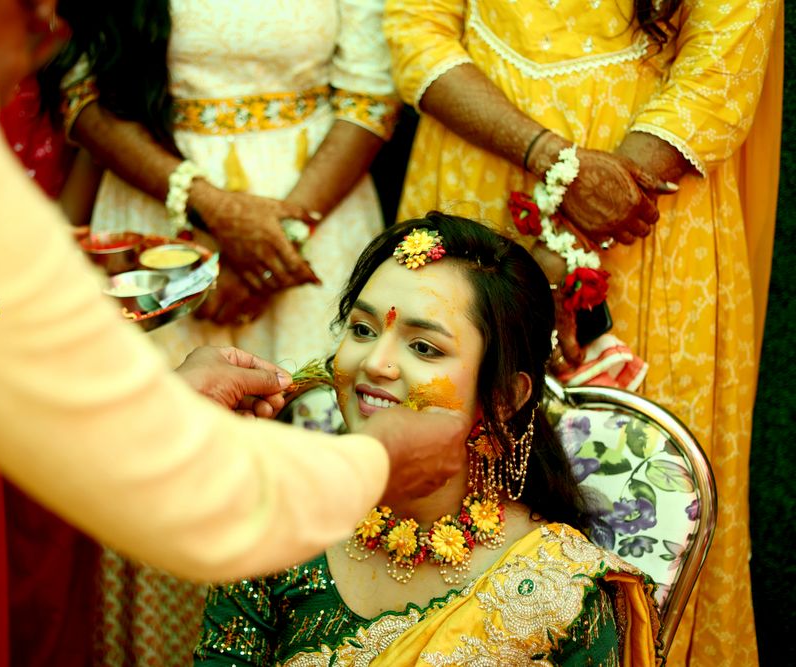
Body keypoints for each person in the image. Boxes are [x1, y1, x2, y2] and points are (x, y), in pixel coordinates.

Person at [0, 0, 474, 599]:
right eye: (35, 20)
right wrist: (376, 463)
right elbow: (188, 496)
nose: (42, 51)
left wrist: (151, 393)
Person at [383, 1, 782, 663]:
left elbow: (721, 68)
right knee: (448, 479)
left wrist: (565, 240)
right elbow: (413, 26)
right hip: (478, 174)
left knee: (646, 498)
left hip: (648, 213)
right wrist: (551, 158)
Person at [39, 2, 401, 662]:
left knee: (319, 453)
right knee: (166, 460)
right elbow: (80, 90)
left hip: (313, 227)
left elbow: (371, 93)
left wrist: (274, 238)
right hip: (160, 221)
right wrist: (211, 215)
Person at [194, 214, 661, 666]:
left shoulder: (560, 589)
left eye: (424, 347)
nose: (375, 362)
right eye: (362, 329)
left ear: (503, 396)